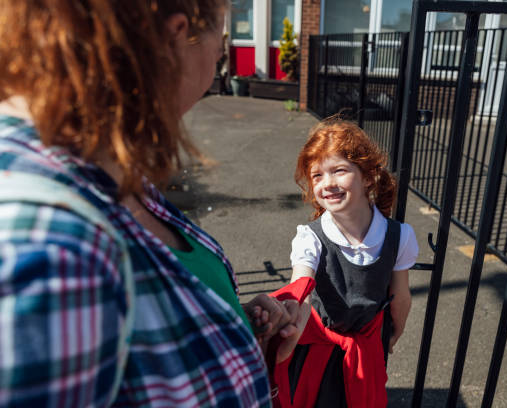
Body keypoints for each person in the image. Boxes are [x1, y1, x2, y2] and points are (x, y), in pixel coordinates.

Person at [0, 1, 300, 406]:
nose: (218, 58)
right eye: (220, 43)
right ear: (174, 36)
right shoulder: (47, 253)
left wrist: (232, 324)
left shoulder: (106, 170)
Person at [276, 119, 419, 408]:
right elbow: (299, 293)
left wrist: (390, 338)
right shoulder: (310, 238)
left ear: (368, 177)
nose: (327, 183)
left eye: (339, 170)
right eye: (317, 175)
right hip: (316, 354)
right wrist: (286, 333)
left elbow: (401, 298)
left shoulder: (399, 235)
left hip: (366, 352)